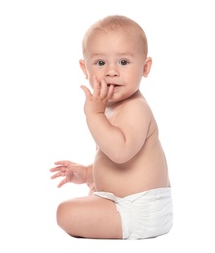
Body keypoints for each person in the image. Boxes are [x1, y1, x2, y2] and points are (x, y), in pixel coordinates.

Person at [50, 15, 173, 240]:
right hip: (126, 203)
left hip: (140, 209)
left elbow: (120, 152)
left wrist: (94, 114)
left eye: (123, 62)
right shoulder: (113, 107)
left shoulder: (136, 108)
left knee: (65, 212)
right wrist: (87, 172)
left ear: (145, 67)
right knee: (92, 194)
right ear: (84, 68)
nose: (111, 71)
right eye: (100, 63)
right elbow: (113, 158)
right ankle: (98, 194)